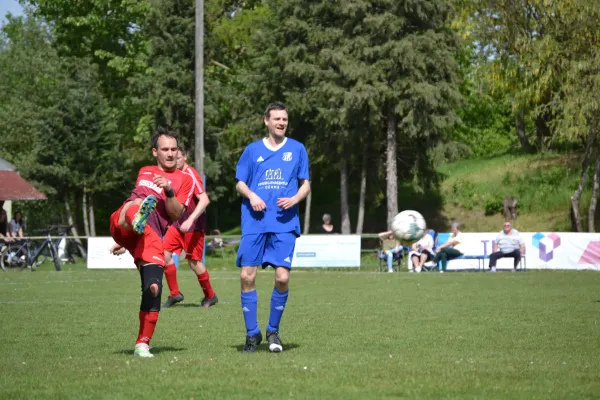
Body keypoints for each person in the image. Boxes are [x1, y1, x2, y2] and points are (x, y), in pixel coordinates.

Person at [109, 128, 194, 358]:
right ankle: (133, 222)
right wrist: (128, 238)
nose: (170, 153)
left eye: (174, 149)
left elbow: (175, 214)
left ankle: (142, 344)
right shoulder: (145, 171)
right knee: (135, 201)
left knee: (153, 289)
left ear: (178, 152)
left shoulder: (185, 180)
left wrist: (168, 189)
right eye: (165, 149)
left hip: (151, 235)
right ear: (155, 151)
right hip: (124, 220)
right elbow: (138, 195)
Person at [235, 102, 310, 353]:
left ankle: (273, 331)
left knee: (282, 277)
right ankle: (252, 333)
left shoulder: (298, 149)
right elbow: (240, 184)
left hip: (284, 222)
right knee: (247, 276)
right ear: (265, 121)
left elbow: (306, 185)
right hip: (255, 222)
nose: (281, 122)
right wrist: (253, 196)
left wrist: (295, 199)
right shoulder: (252, 150)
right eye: (276, 119)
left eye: (285, 119)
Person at [162, 146, 218, 308]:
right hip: (177, 225)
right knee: (163, 255)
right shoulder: (174, 175)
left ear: (185, 157)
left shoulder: (191, 175)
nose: (174, 161)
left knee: (194, 262)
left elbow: (205, 200)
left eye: (178, 158)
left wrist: (190, 219)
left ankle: (210, 296)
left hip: (193, 227)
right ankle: (175, 294)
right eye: (172, 158)